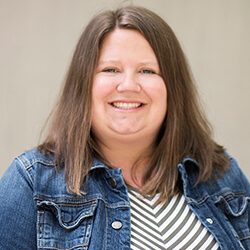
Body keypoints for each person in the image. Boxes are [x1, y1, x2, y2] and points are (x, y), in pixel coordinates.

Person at [0, 5, 249, 250]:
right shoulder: (31, 183)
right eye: (111, 69)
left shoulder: (220, 173)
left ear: (174, 87)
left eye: (147, 70)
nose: (128, 85)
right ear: (83, 85)